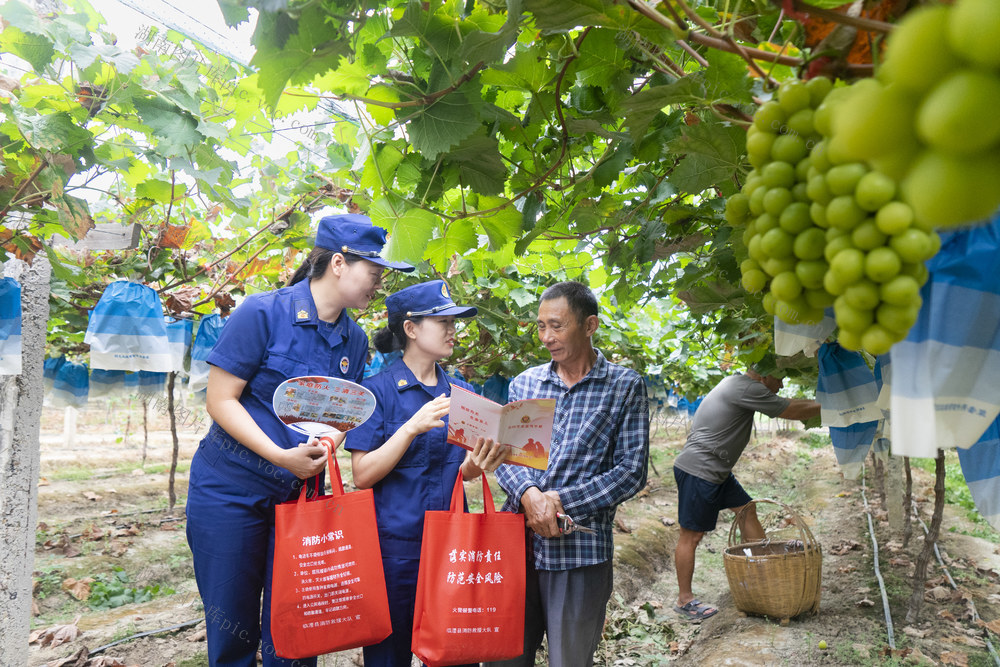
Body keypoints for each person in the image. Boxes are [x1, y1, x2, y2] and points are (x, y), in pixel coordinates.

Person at [185, 213, 414, 667]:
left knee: (297, 632)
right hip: (230, 490)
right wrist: (279, 455)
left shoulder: (355, 341)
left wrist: (329, 441)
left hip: (298, 498)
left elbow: (337, 414)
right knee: (232, 627)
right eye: (374, 272)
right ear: (338, 264)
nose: (379, 284)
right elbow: (220, 400)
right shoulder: (262, 313)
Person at [486, 281, 650, 667]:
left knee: (570, 659)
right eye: (541, 326)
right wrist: (529, 495)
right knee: (503, 657)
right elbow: (508, 458)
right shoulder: (526, 383)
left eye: (557, 326)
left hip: (579, 550)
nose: (546, 337)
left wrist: (560, 501)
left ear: (589, 325)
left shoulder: (623, 387)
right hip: (517, 543)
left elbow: (630, 470)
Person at [346, 279, 508, 667]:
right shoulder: (376, 392)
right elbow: (362, 475)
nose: (453, 330)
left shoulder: (462, 394)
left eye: (454, 322)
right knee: (389, 655)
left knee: (455, 651)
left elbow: (460, 471)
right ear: (411, 329)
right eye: (443, 322)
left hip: (453, 543)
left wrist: (479, 463)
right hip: (395, 548)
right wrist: (409, 429)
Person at [671, 364, 821, 621]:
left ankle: (762, 572)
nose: (781, 385)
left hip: (716, 469)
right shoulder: (746, 387)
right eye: (780, 378)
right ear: (764, 373)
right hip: (700, 470)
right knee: (692, 536)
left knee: (747, 510)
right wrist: (832, 405)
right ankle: (684, 600)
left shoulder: (738, 384)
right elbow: (789, 409)